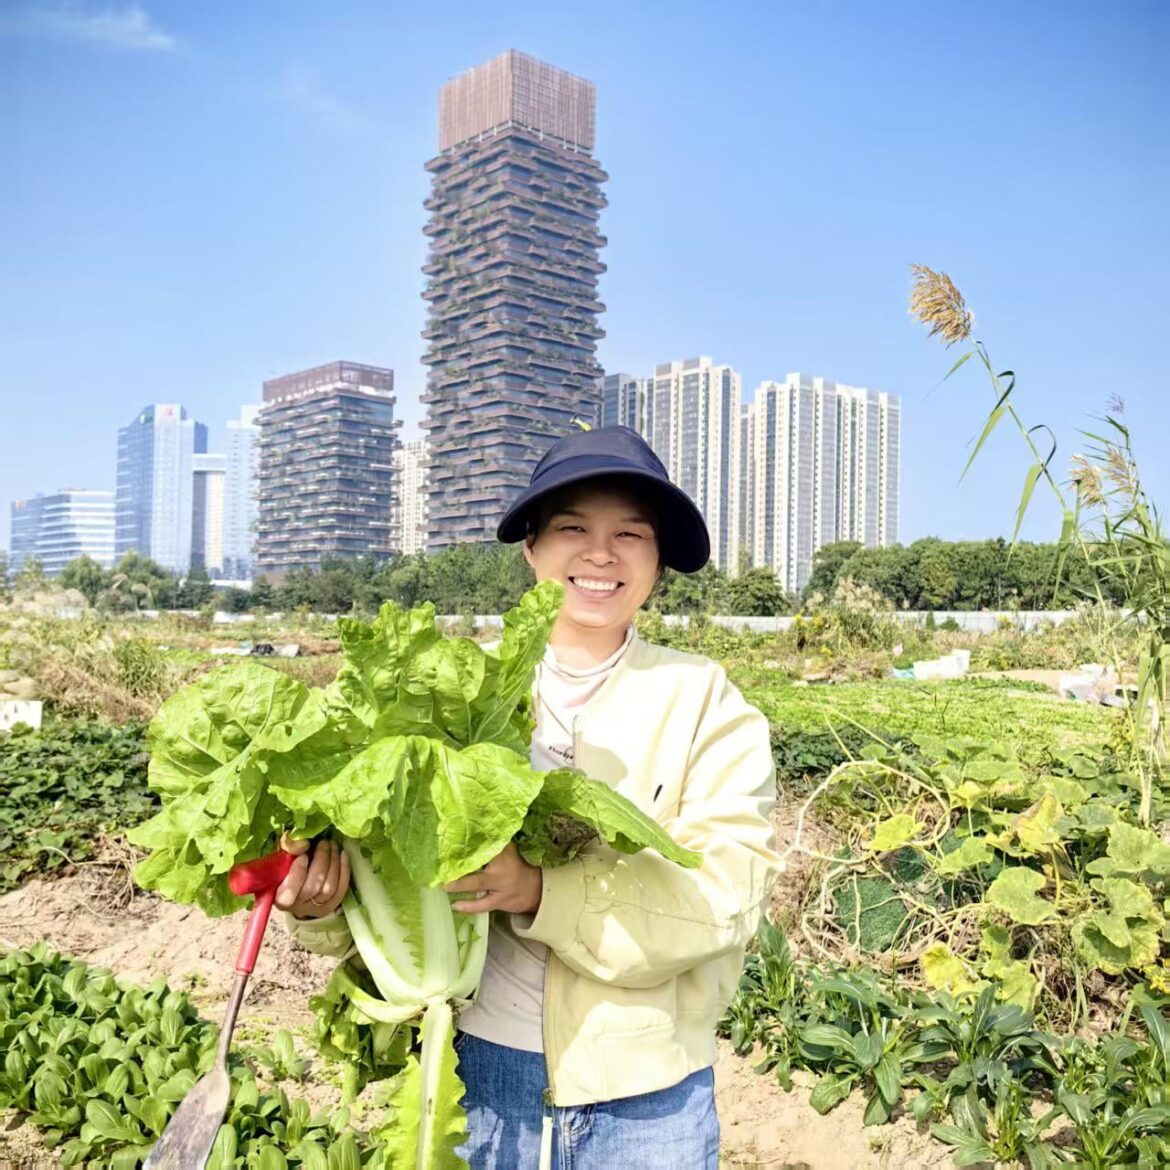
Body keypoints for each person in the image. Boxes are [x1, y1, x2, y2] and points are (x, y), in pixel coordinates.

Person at [277, 425, 780, 1170]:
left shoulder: (705, 701)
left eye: (629, 535)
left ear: (658, 562)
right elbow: (385, 866)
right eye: (572, 528)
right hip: (477, 1069)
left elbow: (725, 897)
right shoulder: (447, 691)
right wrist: (320, 911)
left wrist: (540, 890)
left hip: (648, 1093)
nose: (600, 554)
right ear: (532, 551)